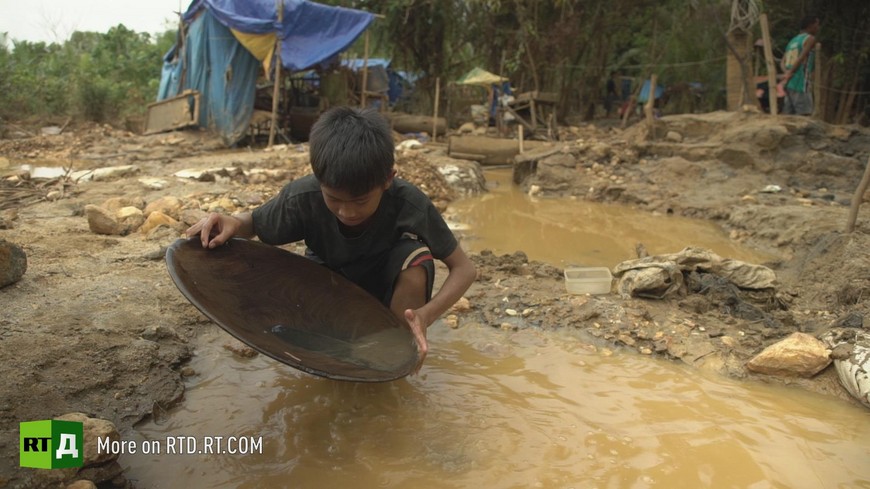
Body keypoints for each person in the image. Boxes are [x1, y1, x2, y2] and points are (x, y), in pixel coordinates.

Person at [186, 107, 477, 373]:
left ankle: (392, 355)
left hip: (384, 297)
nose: (347, 212)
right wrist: (233, 222)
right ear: (318, 179)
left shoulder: (408, 202)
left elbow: (464, 269)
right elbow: (255, 224)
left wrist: (426, 315)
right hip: (329, 290)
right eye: (334, 199)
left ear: (388, 179)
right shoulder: (303, 197)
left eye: (361, 201)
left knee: (416, 260)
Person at [779, 15, 820, 115]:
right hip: (801, 83)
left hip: (789, 84)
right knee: (804, 117)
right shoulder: (809, 39)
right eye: (817, 25)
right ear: (811, 25)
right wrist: (791, 72)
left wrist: (786, 73)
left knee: (789, 117)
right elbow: (801, 57)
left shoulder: (792, 41)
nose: (818, 28)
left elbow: (782, 61)